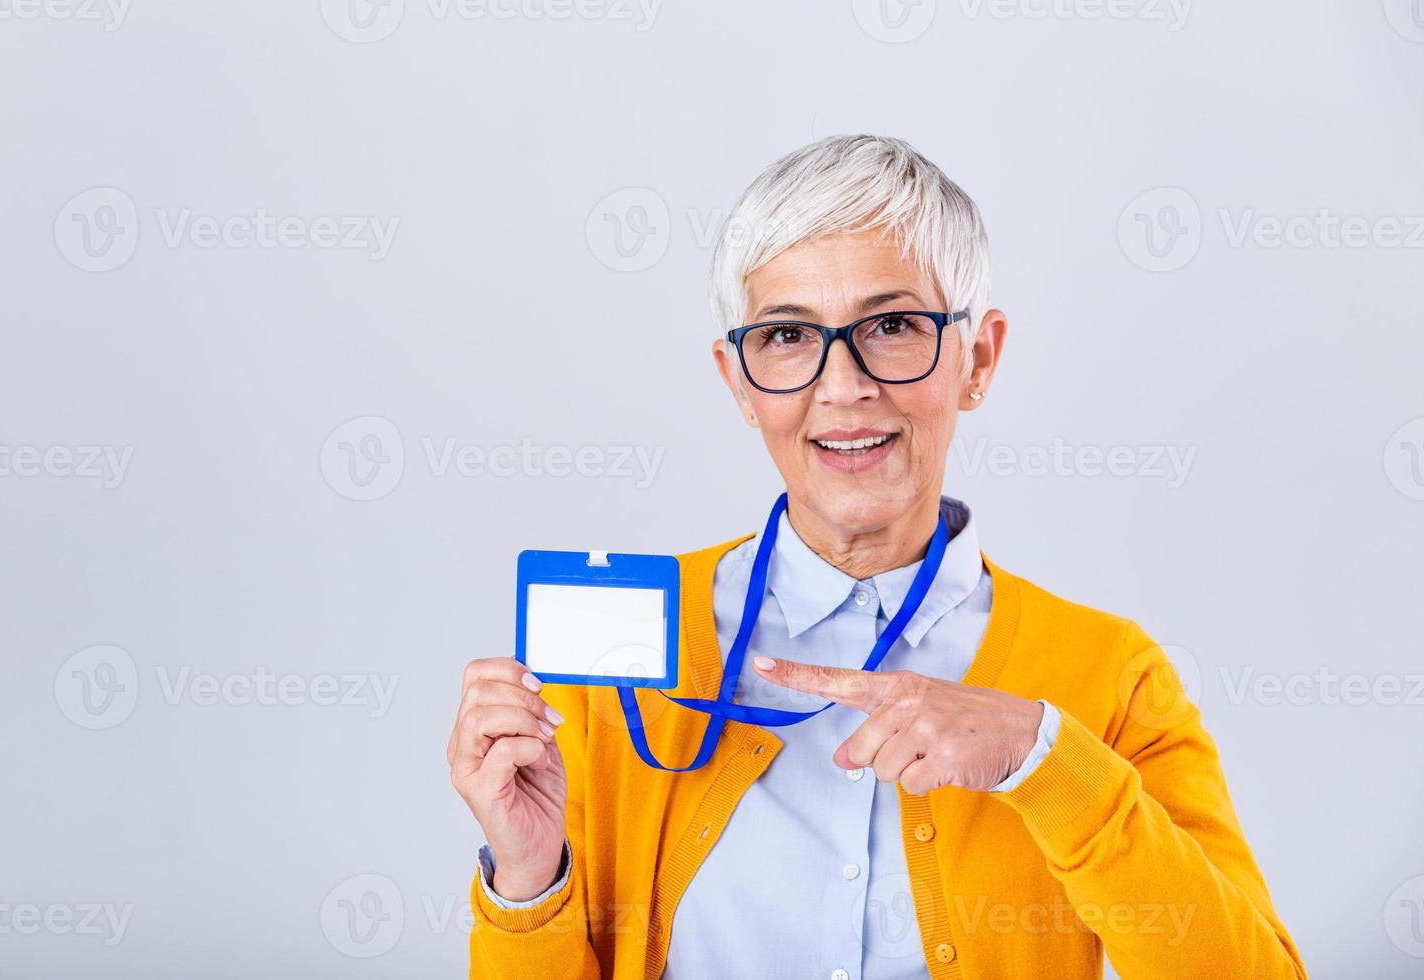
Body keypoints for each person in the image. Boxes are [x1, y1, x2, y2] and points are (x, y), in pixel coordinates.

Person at [448, 134, 1305, 979]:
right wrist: (529, 885)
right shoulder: (618, 644)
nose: (843, 385)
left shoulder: (1108, 673)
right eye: (787, 336)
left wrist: (1047, 760)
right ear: (738, 381)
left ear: (979, 358)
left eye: (891, 324)